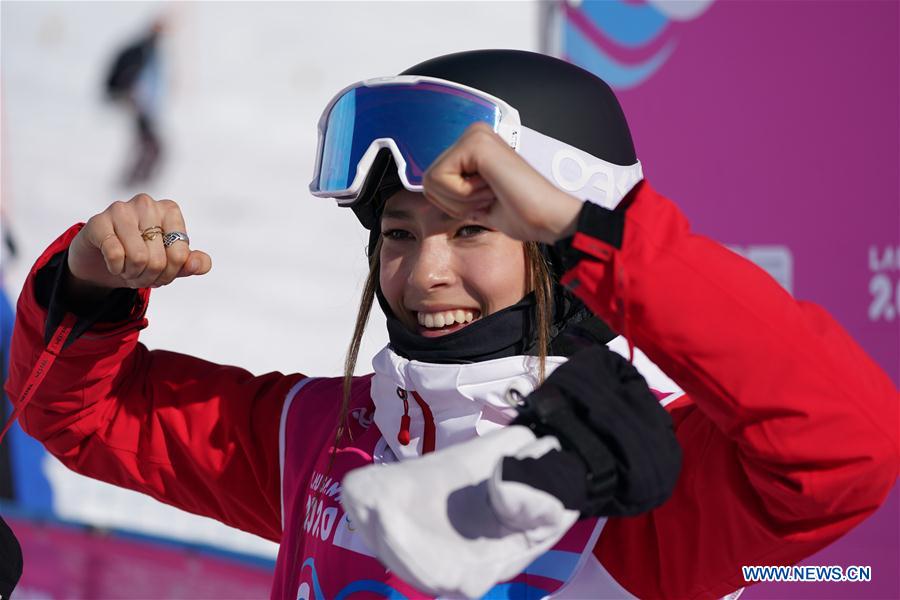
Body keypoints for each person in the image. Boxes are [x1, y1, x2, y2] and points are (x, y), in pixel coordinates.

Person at [5, 50, 898, 599]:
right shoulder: (322, 436)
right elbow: (85, 415)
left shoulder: (636, 477)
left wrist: (606, 239)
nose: (424, 270)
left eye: (472, 229)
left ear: (554, 249)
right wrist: (85, 289)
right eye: (399, 231)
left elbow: (849, 447)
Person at [105, 20, 165, 186]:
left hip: (142, 104)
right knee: (151, 144)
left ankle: (137, 180)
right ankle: (134, 182)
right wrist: (129, 96)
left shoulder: (148, 52)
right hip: (135, 103)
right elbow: (128, 77)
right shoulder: (140, 52)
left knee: (150, 144)